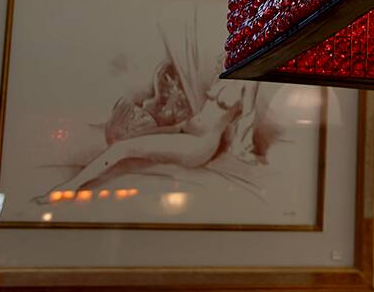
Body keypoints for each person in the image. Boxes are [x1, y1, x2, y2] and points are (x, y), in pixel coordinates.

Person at [34, 19, 266, 203]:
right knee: (125, 143)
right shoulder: (224, 73)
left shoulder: (250, 82)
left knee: (124, 148)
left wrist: (245, 151)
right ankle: (76, 182)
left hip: (199, 145)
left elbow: (248, 117)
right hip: (184, 129)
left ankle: (68, 188)